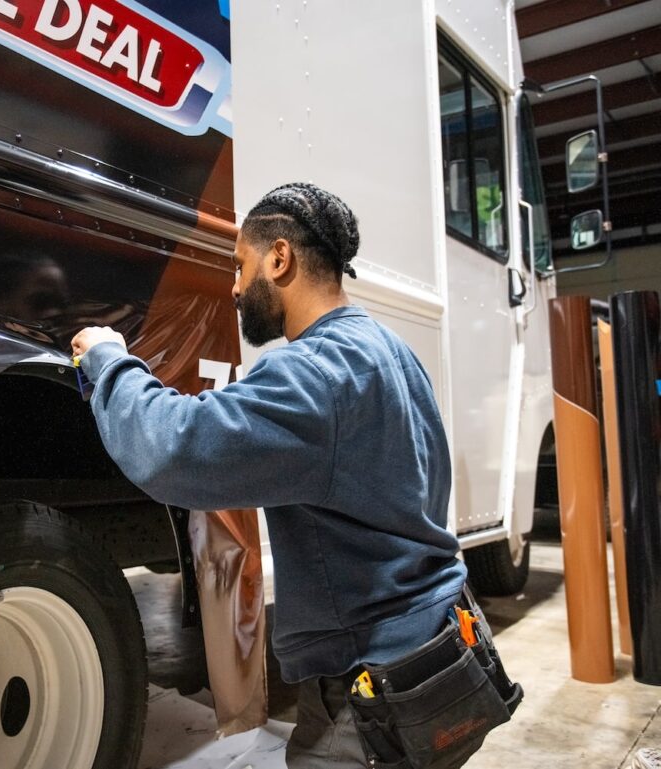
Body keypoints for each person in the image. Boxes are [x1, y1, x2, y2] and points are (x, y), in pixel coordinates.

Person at [70, 183, 472, 768]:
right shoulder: (390, 349)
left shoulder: (314, 373)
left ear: (278, 258)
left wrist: (109, 361)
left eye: (239, 266)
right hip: (440, 655)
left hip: (373, 693)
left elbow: (174, 450)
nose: (233, 287)